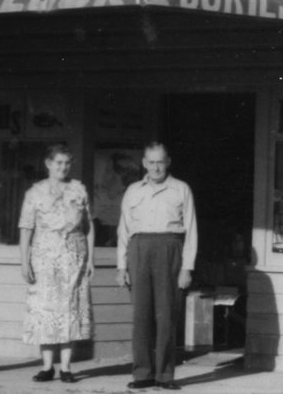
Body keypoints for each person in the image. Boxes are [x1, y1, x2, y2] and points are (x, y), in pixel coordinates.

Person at [116, 142, 197, 391]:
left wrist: (187, 267)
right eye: (151, 162)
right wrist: (121, 266)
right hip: (139, 249)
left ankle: (165, 375)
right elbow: (123, 230)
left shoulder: (181, 189)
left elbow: (191, 230)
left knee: (166, 315)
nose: (156, 167)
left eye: (160, 162)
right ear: (144, 163)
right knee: (141, 316)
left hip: (169, 248)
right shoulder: (133, 191)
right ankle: (142, 374)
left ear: (168, 162)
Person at [18, 144, 95, 383]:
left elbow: (89, 226)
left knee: (69, 309)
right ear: (48, 164)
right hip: (44, 259)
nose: (63, 167)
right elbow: (26, 228)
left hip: (73, 258)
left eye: (67, 163)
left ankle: (66, 368)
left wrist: (91, 259)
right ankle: (47, 366)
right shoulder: (35, 192)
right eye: (59, 162)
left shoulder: (79, 189)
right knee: (45, 310)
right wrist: (24, 262)